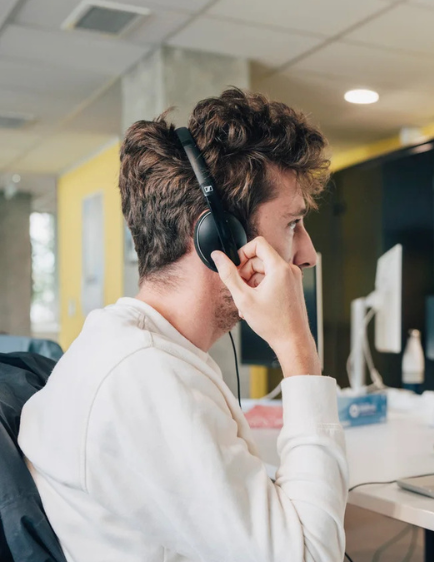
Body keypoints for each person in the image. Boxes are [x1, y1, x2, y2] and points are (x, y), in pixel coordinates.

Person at [18, 89, 348, 561]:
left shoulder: (137, 351)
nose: (307, 254)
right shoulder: (143, 377)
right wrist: (299, 353)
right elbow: (312, 556)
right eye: (293, 224)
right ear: (219, 237)